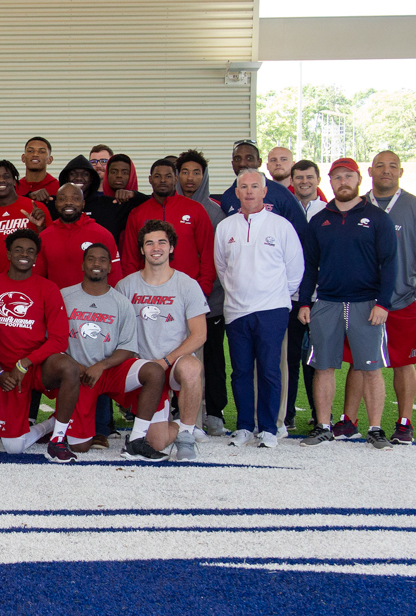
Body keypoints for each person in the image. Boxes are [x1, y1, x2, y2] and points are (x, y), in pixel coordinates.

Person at [339, 152, 416, 444]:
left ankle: (404, 424)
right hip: (362, 301)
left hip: (403, 300)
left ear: (401, 171)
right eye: (380, 166)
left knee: (402, 362)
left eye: (392, 166)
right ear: (369, 171)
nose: (386, 171)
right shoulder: (357, 206)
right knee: (360, 362)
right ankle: (348, 421)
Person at [298, 158, 398, 450]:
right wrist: (305, 302)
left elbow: (389, 263)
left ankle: (376, 429)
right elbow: (310, 266)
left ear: (358, 179)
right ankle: (324, 426)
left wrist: (384, 303)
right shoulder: (319, 221)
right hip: (327, 302)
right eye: (337, 177)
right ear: (330, 182)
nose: (343, 181)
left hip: (366, 303)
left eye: (348, 176)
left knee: (370, 367)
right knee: (323, 367)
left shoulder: (377, 218)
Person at [215, 168, 304, 448]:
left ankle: (267, 428)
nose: (250, 191)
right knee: (240, 371)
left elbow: (295, 270)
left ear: (264, 192)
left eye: (255, 186)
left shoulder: (281, 225)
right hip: (237, 311)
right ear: (237, 192)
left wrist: (275, 296)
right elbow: (222, 268)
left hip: (272, 311)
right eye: (244, 187)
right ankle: (243, 426)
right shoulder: (225, 227)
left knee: (269, 370)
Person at [61, 244, 168, 460]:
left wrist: (101, 366)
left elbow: (128, 347)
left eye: (102, 260)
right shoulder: (65, 296)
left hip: (108, 370)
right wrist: (77, 367)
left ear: (110, 267)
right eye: (91, 259)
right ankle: (52, 425)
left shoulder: (121, 302)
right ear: (83, 264)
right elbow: (53, 341)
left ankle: (137, 441)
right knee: (80, 447)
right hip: (79, 375)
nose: (97, 264)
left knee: (154, 371)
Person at [0, 229, 79, 461]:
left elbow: (59, 339)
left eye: (30, 251)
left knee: (70, 367)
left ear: (36, 257)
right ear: (8, 254)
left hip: (36, 366)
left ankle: (58, 438)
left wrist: (25, 363)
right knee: (13, 447)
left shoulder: (48, 288)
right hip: (8, 374)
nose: (24, 254)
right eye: (19, 249)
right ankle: (48, 426)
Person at [116, 220, 209, 459]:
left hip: (173, 363)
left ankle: (187, 434)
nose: (155, 247)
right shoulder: (125, 286)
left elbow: (199, 334)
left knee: (191, 366)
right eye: (149, 243)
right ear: (141, 250)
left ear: (171, 248)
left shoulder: (187, 285)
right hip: (145, 370)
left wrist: (166, 361)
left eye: (161, 242)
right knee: (156, 443)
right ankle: (173, 427)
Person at [175, 149, 230, 435]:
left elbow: (217, 260)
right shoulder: (167, 209)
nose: (190, 178)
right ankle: (178, 408)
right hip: (174, 304)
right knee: (177, 355)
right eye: (185, 172)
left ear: (204, 176)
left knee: (212, 358)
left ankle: (214, 410)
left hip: (210, 301)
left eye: (197, 172)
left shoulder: (214, 212)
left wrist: (204, 295)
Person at [120, 159, 216, 295]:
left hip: (187, 291)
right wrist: (132, 292)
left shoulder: (195, 210)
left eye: (168, 176)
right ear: (150, 179)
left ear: (176, 179)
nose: (163, 180)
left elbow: (208, 253)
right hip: (147, 293)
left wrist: (203, 290)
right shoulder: (137, 214)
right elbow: (130, 258)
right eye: (158, 176)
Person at [281, 159, 326, 429]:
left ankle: (320, 414)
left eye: (309, 177)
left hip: (321, 299)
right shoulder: (286, 210)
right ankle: (287, 414)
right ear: (292, 181)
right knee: (290, 358)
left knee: (318, 360)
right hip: (291, 297)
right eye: (299, 178)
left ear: (318, 180)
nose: (304, 182)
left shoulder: (328, 211)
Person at [0, 160, 47, 282]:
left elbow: (50, 249)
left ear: (14, 180)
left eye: (6, 176)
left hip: (34, 284)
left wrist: (42, 227)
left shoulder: (35, 207)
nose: (1, 180)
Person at [37, 181, 123, 287]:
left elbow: (115, 277)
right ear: (56, 204)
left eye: (75, 198)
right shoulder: (44, 237)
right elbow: (38, 279)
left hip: (94, 302)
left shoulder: (102, 234)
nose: (68, 202)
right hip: (56, 302)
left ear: (83, 204)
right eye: (62, 199)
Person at [219, 140, 308, 240]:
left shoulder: (281, 194)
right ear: (232, 163)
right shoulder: (228, 196)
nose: (242, 163)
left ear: (259, 162)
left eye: (249, 158)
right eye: (237, 159)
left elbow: (302, 232)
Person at [19, 137, 58, 203]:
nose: (35, 154)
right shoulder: (14, 188)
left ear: (50, 160)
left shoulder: (58, 188)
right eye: (30, 151)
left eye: (41, 152)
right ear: (23, 158)